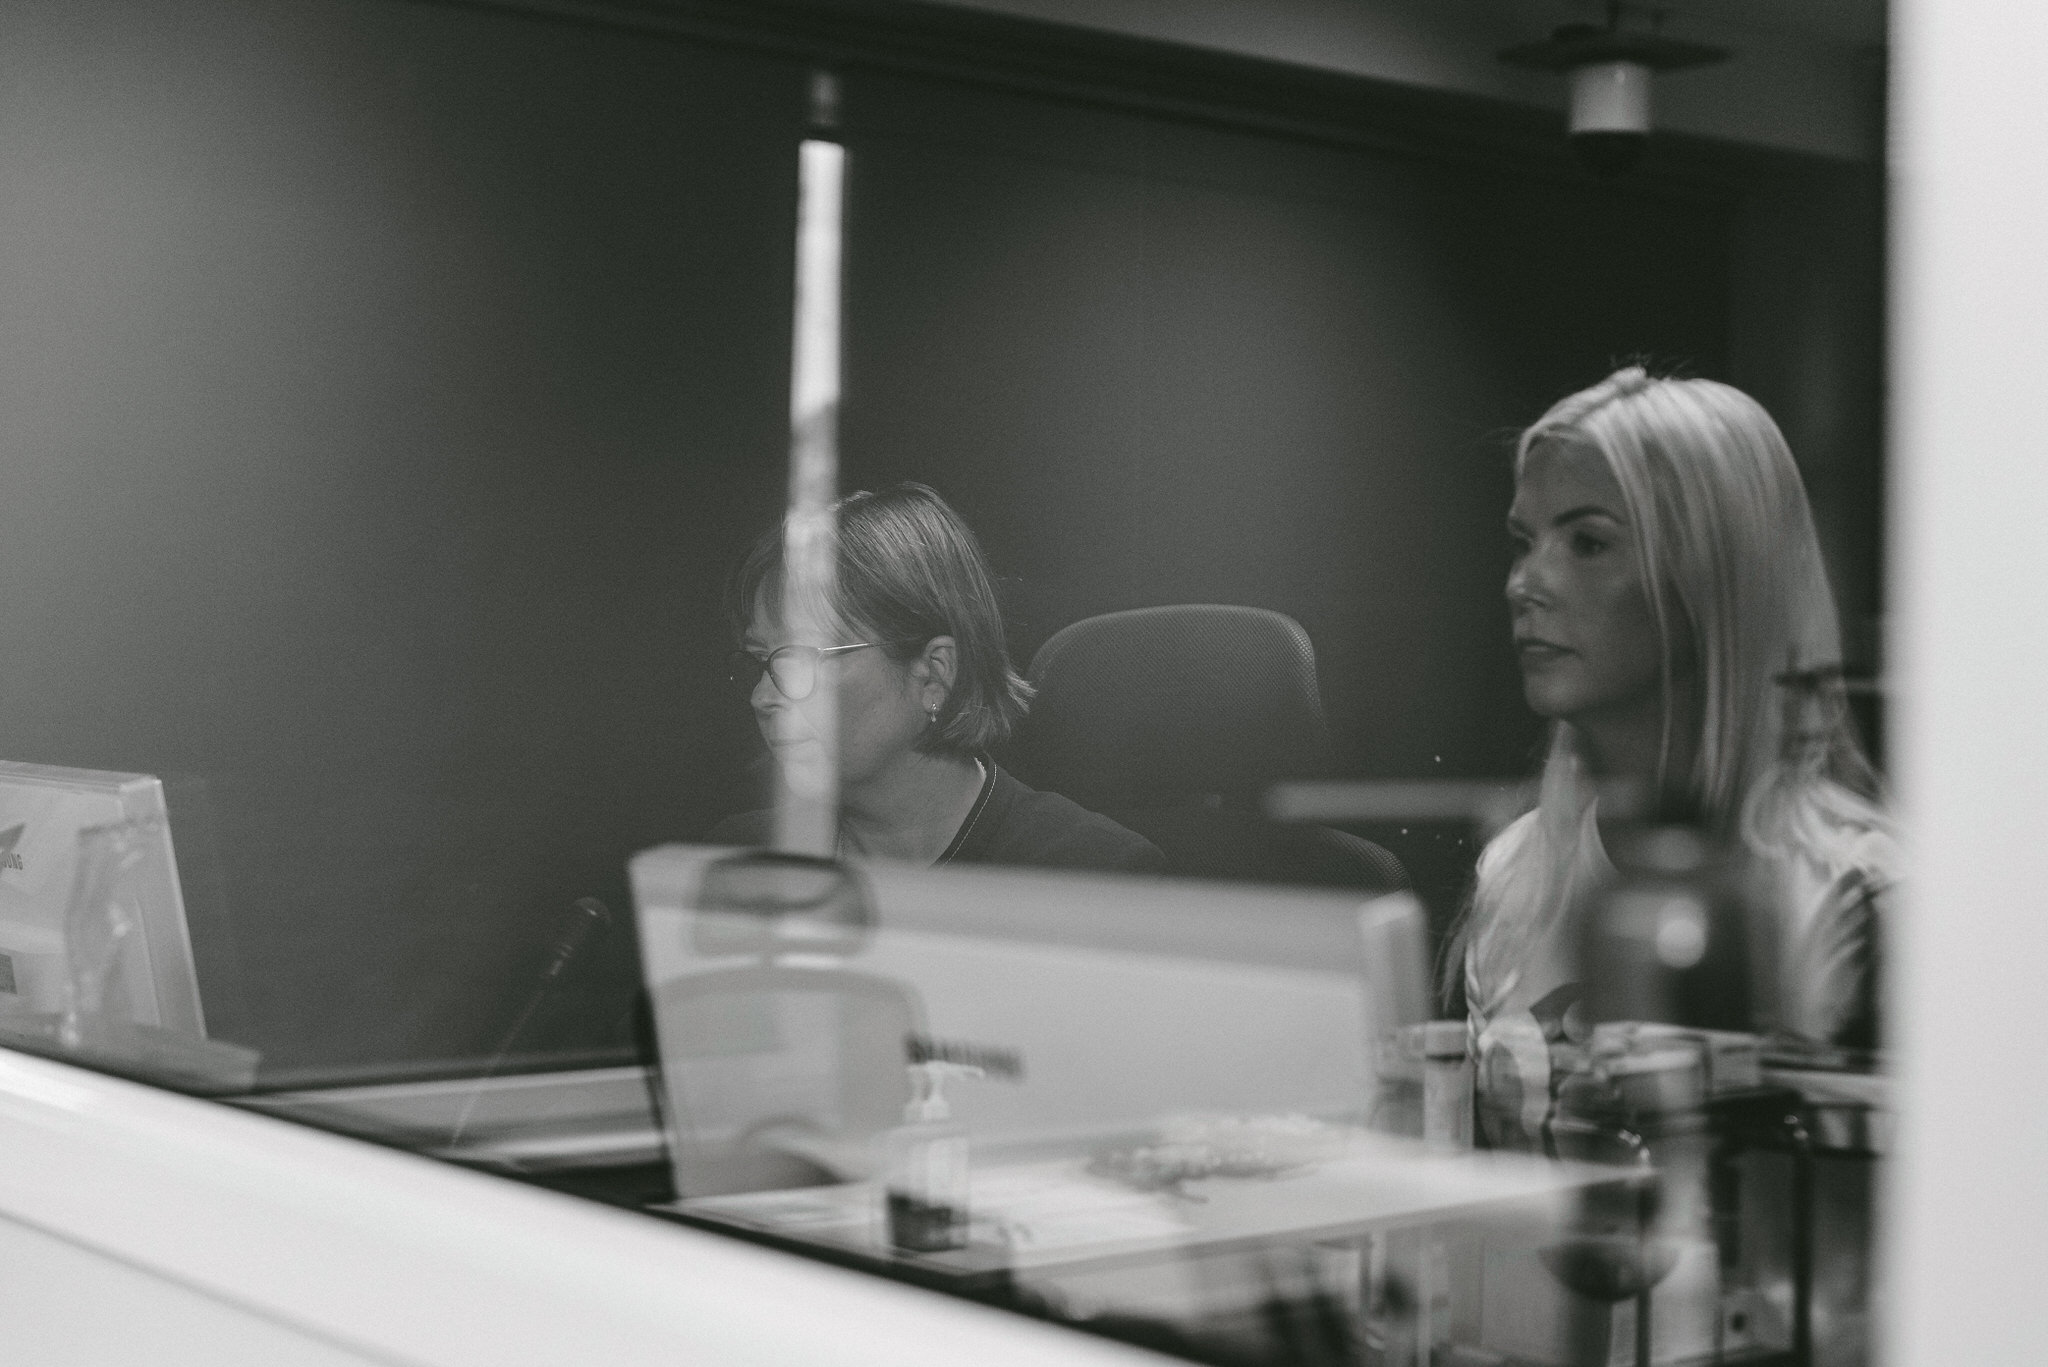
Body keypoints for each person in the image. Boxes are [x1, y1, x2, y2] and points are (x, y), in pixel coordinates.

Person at [1457, 366, 1894, 1142]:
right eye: (1525, 542)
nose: (1525, 583)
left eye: (1589, 542)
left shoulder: (1853, 898)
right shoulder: (1516, 874)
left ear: (1712, 576)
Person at [711, 482, 1163, 874]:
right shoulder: (741, 857)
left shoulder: (1092, 875)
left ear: (934, 674)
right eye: (762, 660)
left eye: (802, 659)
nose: (762, 697)